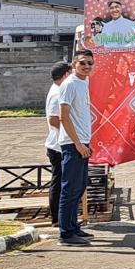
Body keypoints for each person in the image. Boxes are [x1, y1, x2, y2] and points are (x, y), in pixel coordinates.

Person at [58, 50, 95, 245]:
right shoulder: (70, 84)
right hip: (72, 144)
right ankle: (65, 233)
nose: (87, 66)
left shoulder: (83, 82)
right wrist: (78, 144)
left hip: (82, 141)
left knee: (79, 187)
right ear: (74, 64)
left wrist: (86, 142)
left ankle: (73, 226)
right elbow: (63, 116)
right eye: (83, 63)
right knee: (69, 188)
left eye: (90, 63)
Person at [45, 62, 72, 228]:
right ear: (64, 75)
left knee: (61, 180)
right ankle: (57, 217)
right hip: (58, 146)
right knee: (59, 181)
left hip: (59, 143)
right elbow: (54, 119)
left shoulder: (59, 89)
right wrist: (70, 132)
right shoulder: (57, 93)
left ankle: (61, 216)